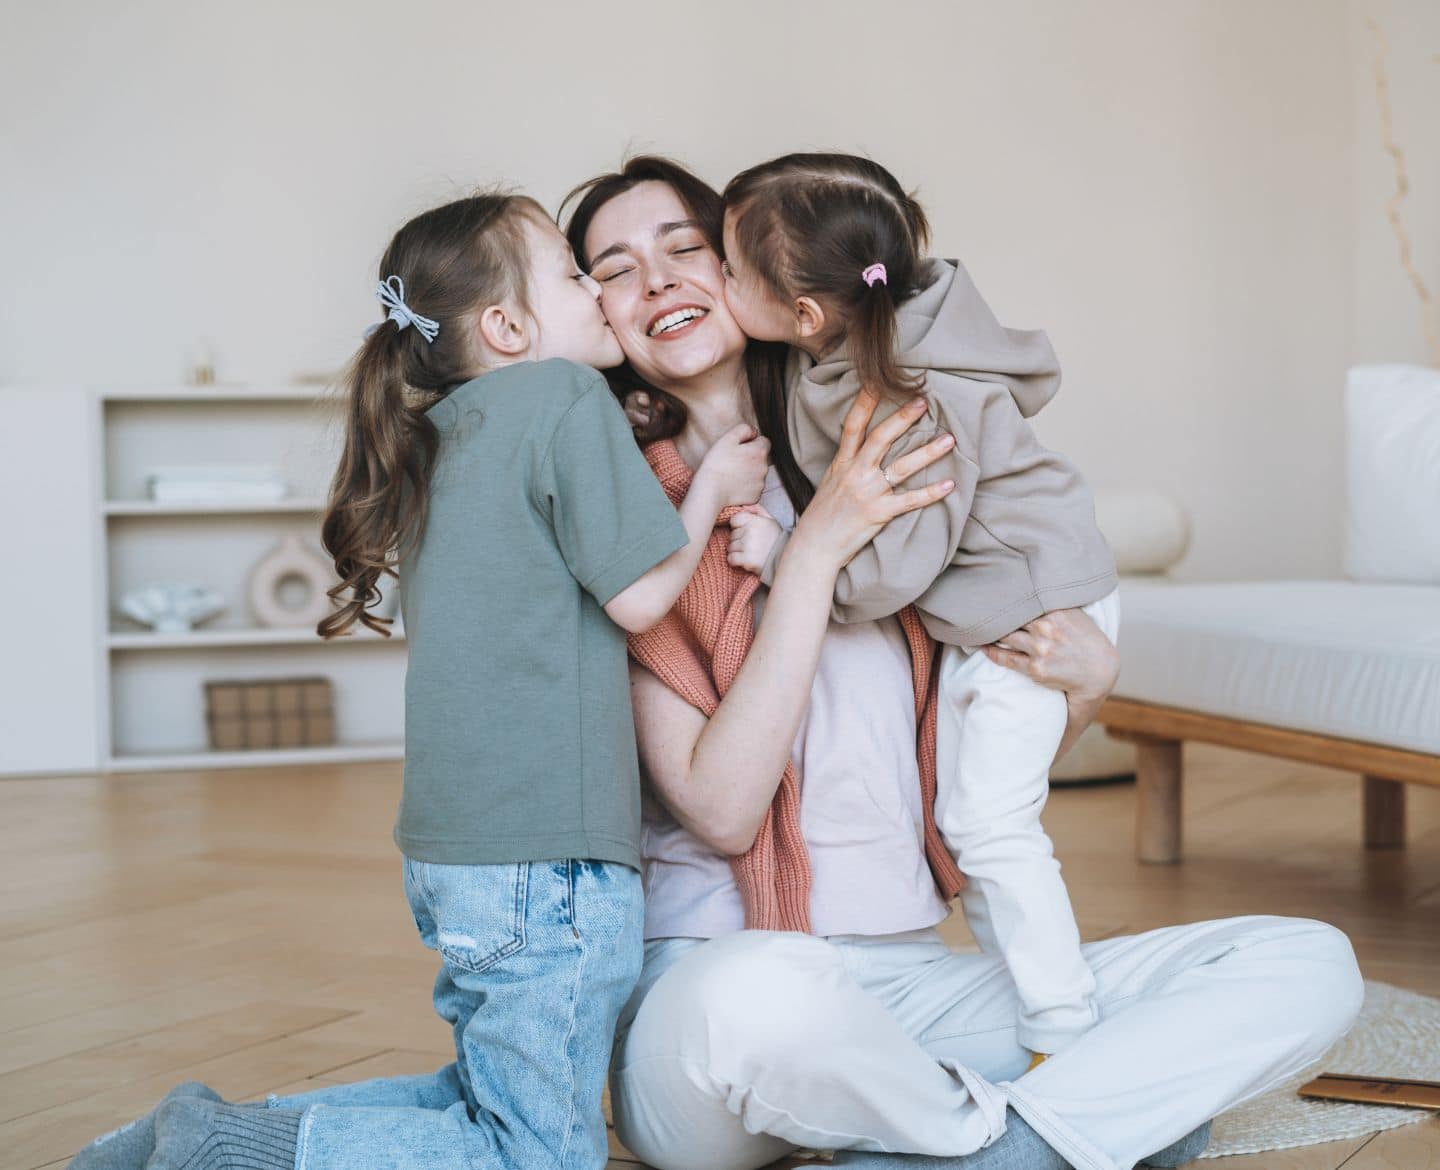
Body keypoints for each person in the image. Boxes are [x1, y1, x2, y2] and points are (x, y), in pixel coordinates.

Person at [562, 155, 1364, 1170]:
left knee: (1306, 964)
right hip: (720, 995)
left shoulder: (882, 449)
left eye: (687, 248)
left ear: (770, 281)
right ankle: (1065, 1134)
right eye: (617, 269)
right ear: (598, 318)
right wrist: (812, 555)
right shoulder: (626, 524)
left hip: (908, 988)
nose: (662, 279)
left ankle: (988, 1144)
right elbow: (722, 810)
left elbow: (973, 767)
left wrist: (1082, 688)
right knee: (760, 993)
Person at [66, 190, 781, 1170]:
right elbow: (639, 598)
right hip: (550, 860)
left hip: (458, 859)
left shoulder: (442, 434)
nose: (599, 293)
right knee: (540, 1153)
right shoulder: (563, 397)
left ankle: (202, 1138)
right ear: (508, 326)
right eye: (579, 276)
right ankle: (227, 1148)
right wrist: (710, 495)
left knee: (492, 1098)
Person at [717, 150, 1117, 1062]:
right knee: (964, 816)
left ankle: (1066, 1026)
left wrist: (789, 557)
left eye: (729, 270)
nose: (718, 278)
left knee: (987, 820)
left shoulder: (903, 397)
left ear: (807, 315)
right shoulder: (871, 347)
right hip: (1007, 603)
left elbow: (895, 563)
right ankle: (1026, 986)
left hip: (1033, 610)